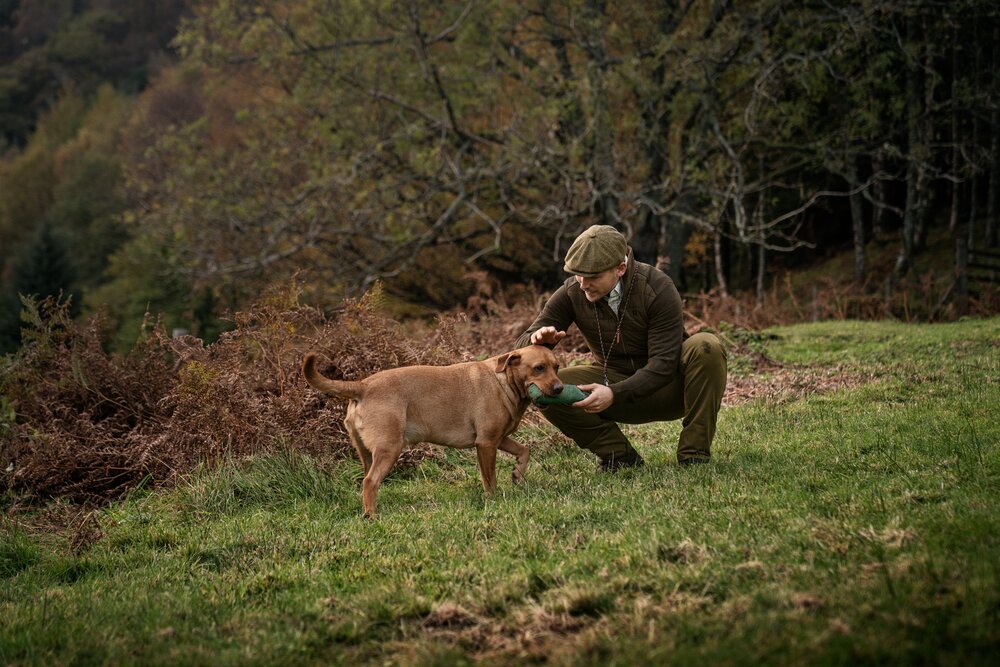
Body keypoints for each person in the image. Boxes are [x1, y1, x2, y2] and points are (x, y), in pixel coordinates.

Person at [516, 224, 728, 471]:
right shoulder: (573, 291)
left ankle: (694, 455)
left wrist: (614, 392)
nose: (583, 284)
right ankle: (620, 458)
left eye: (592, 276)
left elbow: (663, 363)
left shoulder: (656, 286)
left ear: (620, 268)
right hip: (610, 381)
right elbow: (519, 349)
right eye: (578, 274)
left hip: (671, 389)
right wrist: (538, 341)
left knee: (706, 345)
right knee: (543, 388)